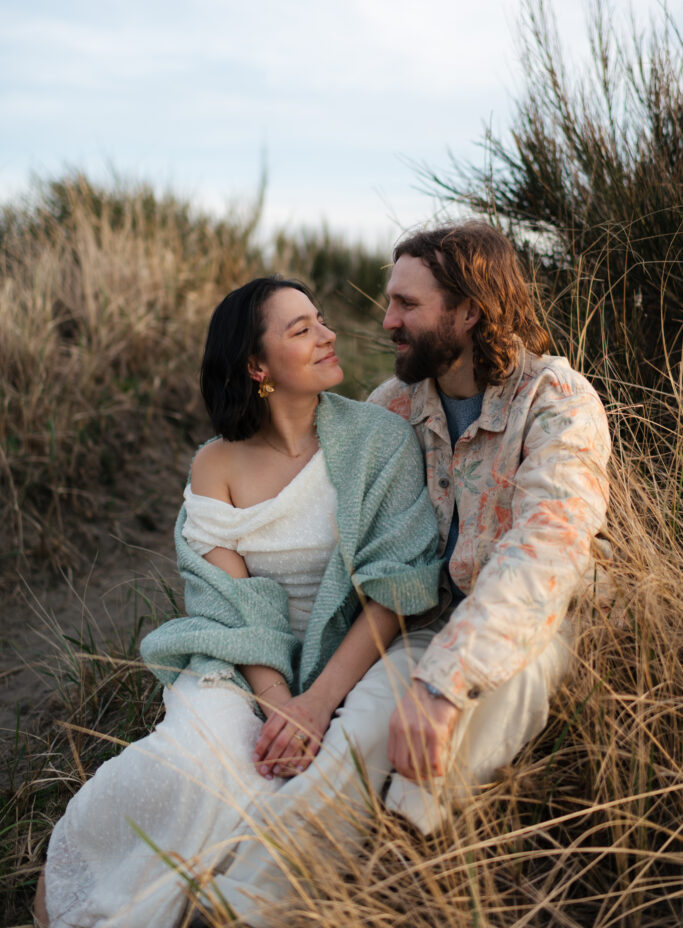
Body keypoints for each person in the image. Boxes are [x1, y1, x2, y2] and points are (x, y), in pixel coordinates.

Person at [37, 276, 442, 928]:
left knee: (304, 788)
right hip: (246, 668)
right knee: (194, 768)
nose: (327, 334)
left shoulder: (377, 441)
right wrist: (278, 702)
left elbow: (398, 590)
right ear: (257, 366)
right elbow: (232, 603)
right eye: (300, 329)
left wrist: (315, 705)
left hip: (357, 661)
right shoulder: (215, 466)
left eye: (320, 320)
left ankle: (226, 910)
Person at [368, 221, 611, 829]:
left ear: (470, 312)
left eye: (407, 304)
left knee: (508, 684)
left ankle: (409, 847)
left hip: (546, 622)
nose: (387, 320)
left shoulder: (555, 397)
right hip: (424, 624)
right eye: (389, 301)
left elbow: (545, 552)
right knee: (356, 742)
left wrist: (443, 683)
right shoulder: (392, 406)